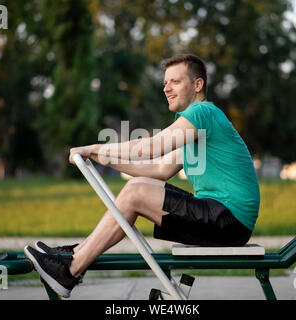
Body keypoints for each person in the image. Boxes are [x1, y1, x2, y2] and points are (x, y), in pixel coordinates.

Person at [24, 54, 260, 298]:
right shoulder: (196, 127)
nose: (166, 88)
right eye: (165, 83)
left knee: (136, 192)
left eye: (175, 82)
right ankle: (72, 257)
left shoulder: (202, 112)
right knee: (137, 187)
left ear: (198, 85)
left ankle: (70, 269)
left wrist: (96, 148)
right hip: (222, 218)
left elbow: (151, 147)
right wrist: (106, 159)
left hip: (228, 220)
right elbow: (159, 170)